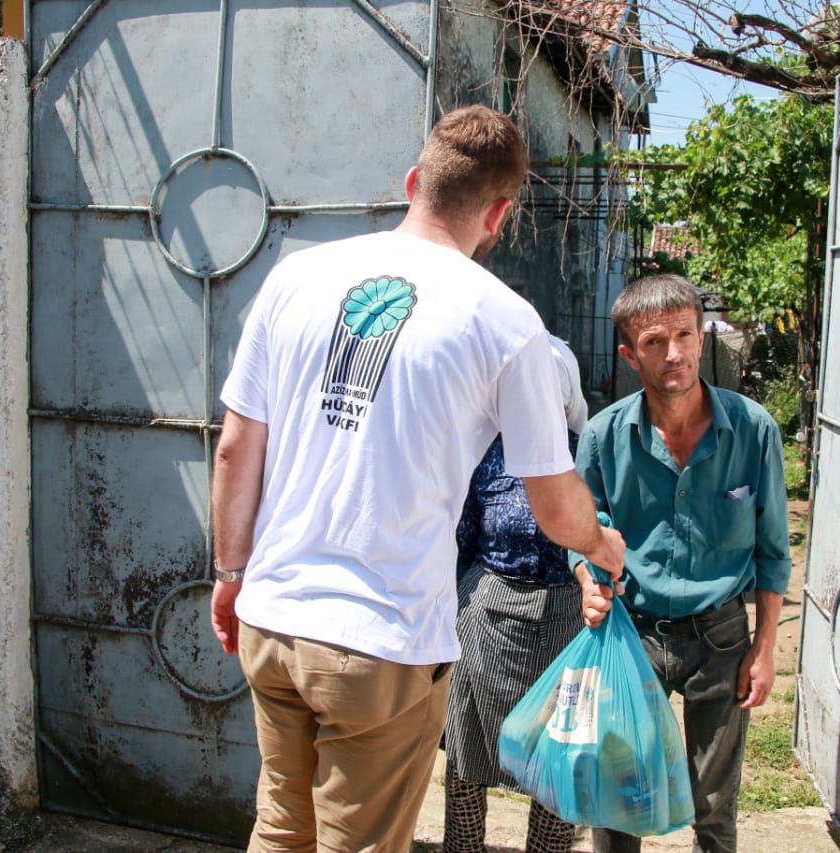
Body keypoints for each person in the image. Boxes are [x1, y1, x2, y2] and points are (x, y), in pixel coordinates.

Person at [208, 105, 625, 853]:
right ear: (499, 213)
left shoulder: (296, 276)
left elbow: (236, 448)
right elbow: (554, 501)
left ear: (413, 182)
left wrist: (230, 572)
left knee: (280, 827)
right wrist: (601, 541)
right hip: (380, 643)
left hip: (271, 623)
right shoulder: (506, 321)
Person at [570, 274, 791, 853]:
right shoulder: (602, 437)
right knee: (618, 802)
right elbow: (583, 535)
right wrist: (586, 584)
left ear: (701, 337)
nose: (673, 353)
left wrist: (765, 650)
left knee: (714, 807)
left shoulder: (753, 430)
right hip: (629, 636)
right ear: (629, 354)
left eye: (684, 335)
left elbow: (772, 552)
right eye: (653, 342)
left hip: (720, 638)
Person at [442, 335, 588, 853]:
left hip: (566, 625)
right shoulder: (487, 456)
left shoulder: (585, 459)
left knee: (557, 761)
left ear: (564, 394)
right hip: (486, 620)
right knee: (466, 758)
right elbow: (462, 539)